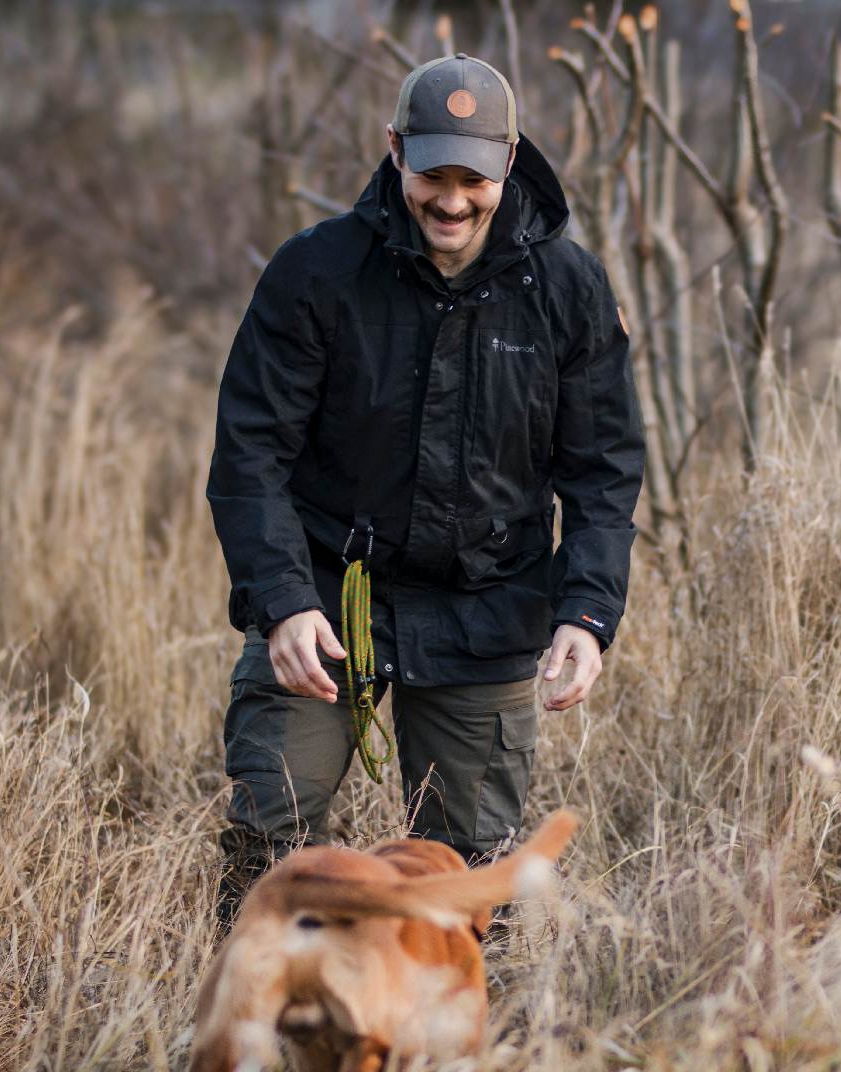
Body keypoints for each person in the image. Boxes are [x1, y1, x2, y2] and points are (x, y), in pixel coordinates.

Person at [207, 53, 644, 900]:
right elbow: (250, 454)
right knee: (271, 842)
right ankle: (269, 1023)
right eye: (431, 173)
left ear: (509, 162)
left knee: (472, 874)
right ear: (394, 149)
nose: (451, 199)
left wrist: (587, 613)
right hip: (330, 596)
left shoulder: (569, 288)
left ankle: (453, 1034)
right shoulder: (316, 274)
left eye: (472, 179)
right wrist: (284, 601)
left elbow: (602, 470)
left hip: (488, 607)